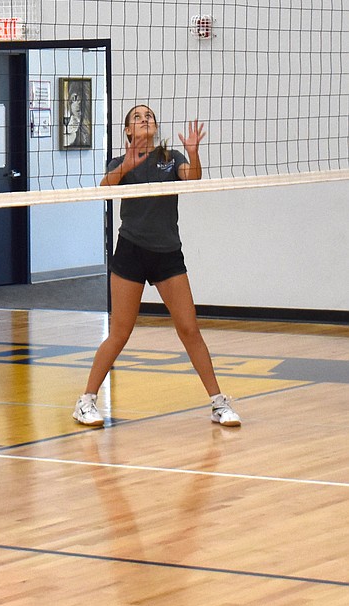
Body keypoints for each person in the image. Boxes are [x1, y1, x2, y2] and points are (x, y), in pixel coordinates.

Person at [73, 105, 241, 428]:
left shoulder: (170, 156)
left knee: (189, 329)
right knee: (120, 332)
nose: (145, 119)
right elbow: (104, 189)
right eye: (137, 117)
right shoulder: (120, 163)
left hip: (167, 253)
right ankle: (86, 401)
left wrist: (193, 154)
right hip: (131, 252)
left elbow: (191, 178)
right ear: (128, 132)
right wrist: (125, 166)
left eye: (148, 116)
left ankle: (218, 404)